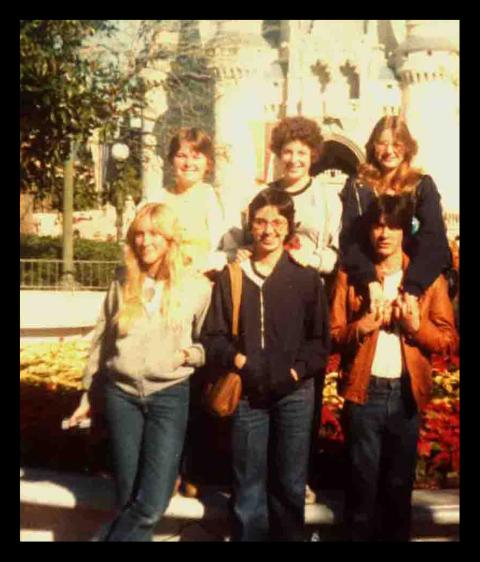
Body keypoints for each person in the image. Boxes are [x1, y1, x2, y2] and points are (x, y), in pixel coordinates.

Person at [66, 203, 212, 541]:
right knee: (127, 499)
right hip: (121, 397)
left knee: (151, 503)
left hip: (169, 396)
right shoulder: (122, 281)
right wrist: (88, 392)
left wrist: (187, 354)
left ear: (170, 239)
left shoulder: (197, 287)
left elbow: (209, 344)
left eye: (155, 234)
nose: (145, 241)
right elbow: (102, 339)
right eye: (139, 234)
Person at [202, 187, 331, 541]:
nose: (268, 229)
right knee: (248, 488)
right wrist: (240, 359)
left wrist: (294, 372)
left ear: (289, 227)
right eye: (260, 221)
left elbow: (320, 342)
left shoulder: (305, 279)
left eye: (277, 222)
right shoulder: (233, 278)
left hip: (294, 394)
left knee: (289, 486)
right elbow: (213, 337)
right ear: (250, 225)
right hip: (247, 395)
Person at [330, 194, 458, 541]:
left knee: (398, 495)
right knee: (360, 495)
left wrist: (417, 327)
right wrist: (364, 325)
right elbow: (333, 334)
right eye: (377, 225)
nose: (384, 233)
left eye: (393, 226)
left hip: (405, 394)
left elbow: (448, 340)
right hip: (363, 392)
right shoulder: (351, 275)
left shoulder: (425, 278)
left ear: (406, 230)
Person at [339, 115, 451, 318]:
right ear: (373, 147)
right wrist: (370, 281)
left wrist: (412, 288)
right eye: (382, 143)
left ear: (407, 147)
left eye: (397, 144)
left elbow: (433, 242)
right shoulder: (358, 186)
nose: (389, 151)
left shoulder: (421, 186)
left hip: (413, 284)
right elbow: (350, 241)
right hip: (368, 284)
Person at [226, 116, 342, 278]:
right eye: (288, 152)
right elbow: (242, 243)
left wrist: (312, 260)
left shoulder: (327, 198)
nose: (294, 160)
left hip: (309, 283)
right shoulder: (260, 195)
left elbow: (334, 251)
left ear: (312, 155)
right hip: (264, 281)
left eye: (301, 153)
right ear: (279, 154)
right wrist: (242, 253)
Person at [154, 127, 227, 275]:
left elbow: (224, 249)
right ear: (171, 160)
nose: (188, 163)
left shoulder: (213, 199)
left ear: (208, 163)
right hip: (163, 277)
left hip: (200, 278)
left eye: (196, 157)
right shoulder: (158, 198)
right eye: (181, 156)